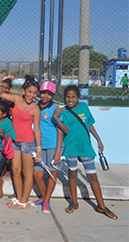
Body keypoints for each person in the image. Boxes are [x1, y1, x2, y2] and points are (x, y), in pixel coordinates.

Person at [52, 85, 117, 220]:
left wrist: (98, 139)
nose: (70, 99)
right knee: (72, 175)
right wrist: (56, 117)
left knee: (92, 176)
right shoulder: (64, 111)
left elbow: (90, 124)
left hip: (85, 147)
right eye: (68, 97)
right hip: (71, 148)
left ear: (78, 97)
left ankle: (101, 206)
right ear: (64, 97)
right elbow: (66, 130)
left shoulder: (84, 107)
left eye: (73, 97)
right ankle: (74, 203)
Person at [0, 75, 42, 210]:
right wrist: (1, 81)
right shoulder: (17, 99)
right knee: (15, 171)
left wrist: (38, 150)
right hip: (15, 141)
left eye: (34, 93)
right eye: (29, 92)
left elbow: (37, 130)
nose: (32, 95)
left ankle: (24, 201)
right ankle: (19, 196)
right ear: (24, 91)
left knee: (27, 173)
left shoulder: (35, 109)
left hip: (28, 143)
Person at [30, 81, 64, 214]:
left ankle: (47, 201)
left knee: (51, 172)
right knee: (37, 174)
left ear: (53, 95)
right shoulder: (35, 106)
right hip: (37, 145)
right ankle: (44, 198)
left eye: (49, 94)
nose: (45, 96)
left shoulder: (56, 109)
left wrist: (58, 151)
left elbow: (60, 130)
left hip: (52, 145)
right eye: (43, 93)